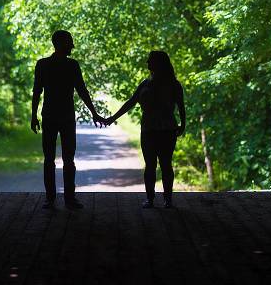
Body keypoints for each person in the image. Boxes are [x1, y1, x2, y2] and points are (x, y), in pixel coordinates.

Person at [31, 30, 106, 209]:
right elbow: (82, 91)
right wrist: (94, 113)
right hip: (65, 117)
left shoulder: (43, 64)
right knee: (67, 159)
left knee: (49, 159)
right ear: (61, 43)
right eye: (70, 42)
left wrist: (34, 115)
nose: (72, 46)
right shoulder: (71, 65)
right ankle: (69, 199)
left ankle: (51, 199)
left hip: (50, 116)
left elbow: (37, 92)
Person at [106, 50, 186, 208]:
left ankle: (165, 199)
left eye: (150, 60)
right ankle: (153, 199)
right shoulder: (148, 83)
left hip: (163, 130)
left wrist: (183, 125)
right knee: (153, 165)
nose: (147, 63)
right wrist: (112, 118)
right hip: (154, 130)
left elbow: (181, 107)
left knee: (163, 164)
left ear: (158, 63)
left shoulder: (172, 84)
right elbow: (130, 102)